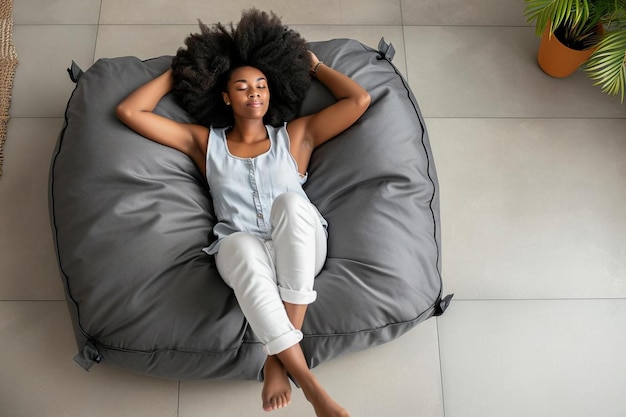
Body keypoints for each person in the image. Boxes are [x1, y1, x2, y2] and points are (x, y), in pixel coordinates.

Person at [116, 9, 370, 417]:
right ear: (224, 96)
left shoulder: (296, 136)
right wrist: (182, 71)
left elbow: (358, 100)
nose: (254, 92)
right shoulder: (205, 143)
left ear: (272, 92)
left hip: (300, 244)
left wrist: (316, 65)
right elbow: (130, 113)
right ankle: (310, 385)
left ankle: (276, 363)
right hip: (243, 254)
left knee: (289, 203)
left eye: (261, 85)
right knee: (236, 244)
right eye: (241, 86)